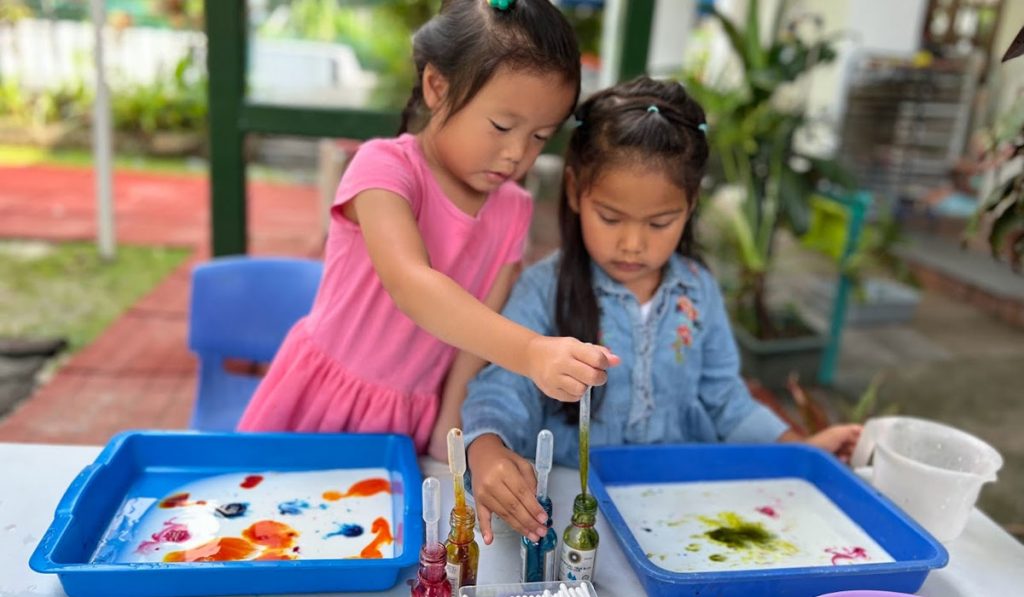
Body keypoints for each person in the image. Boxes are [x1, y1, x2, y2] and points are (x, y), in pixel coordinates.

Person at [461, 77, 862, 544]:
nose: (633, 243)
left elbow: (726, 401)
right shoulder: (544, 288)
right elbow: (505, 387)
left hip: (682, 510)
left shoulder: (698, 291)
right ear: (574, 192)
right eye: (610, 218)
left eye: (659, 222)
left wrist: (802, 455)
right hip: (573, 510)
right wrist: (486, 448)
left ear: (690, 206)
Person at [238, 0, 618, 460]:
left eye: (540, 136)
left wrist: (449, 425)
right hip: (319, 403)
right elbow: (412, 285)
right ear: (437, 86)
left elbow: (471, 344)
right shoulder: (384, 169)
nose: (518, 152)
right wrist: (532, 352)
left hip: (409, 419)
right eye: (501, 126)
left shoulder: (513, 209)